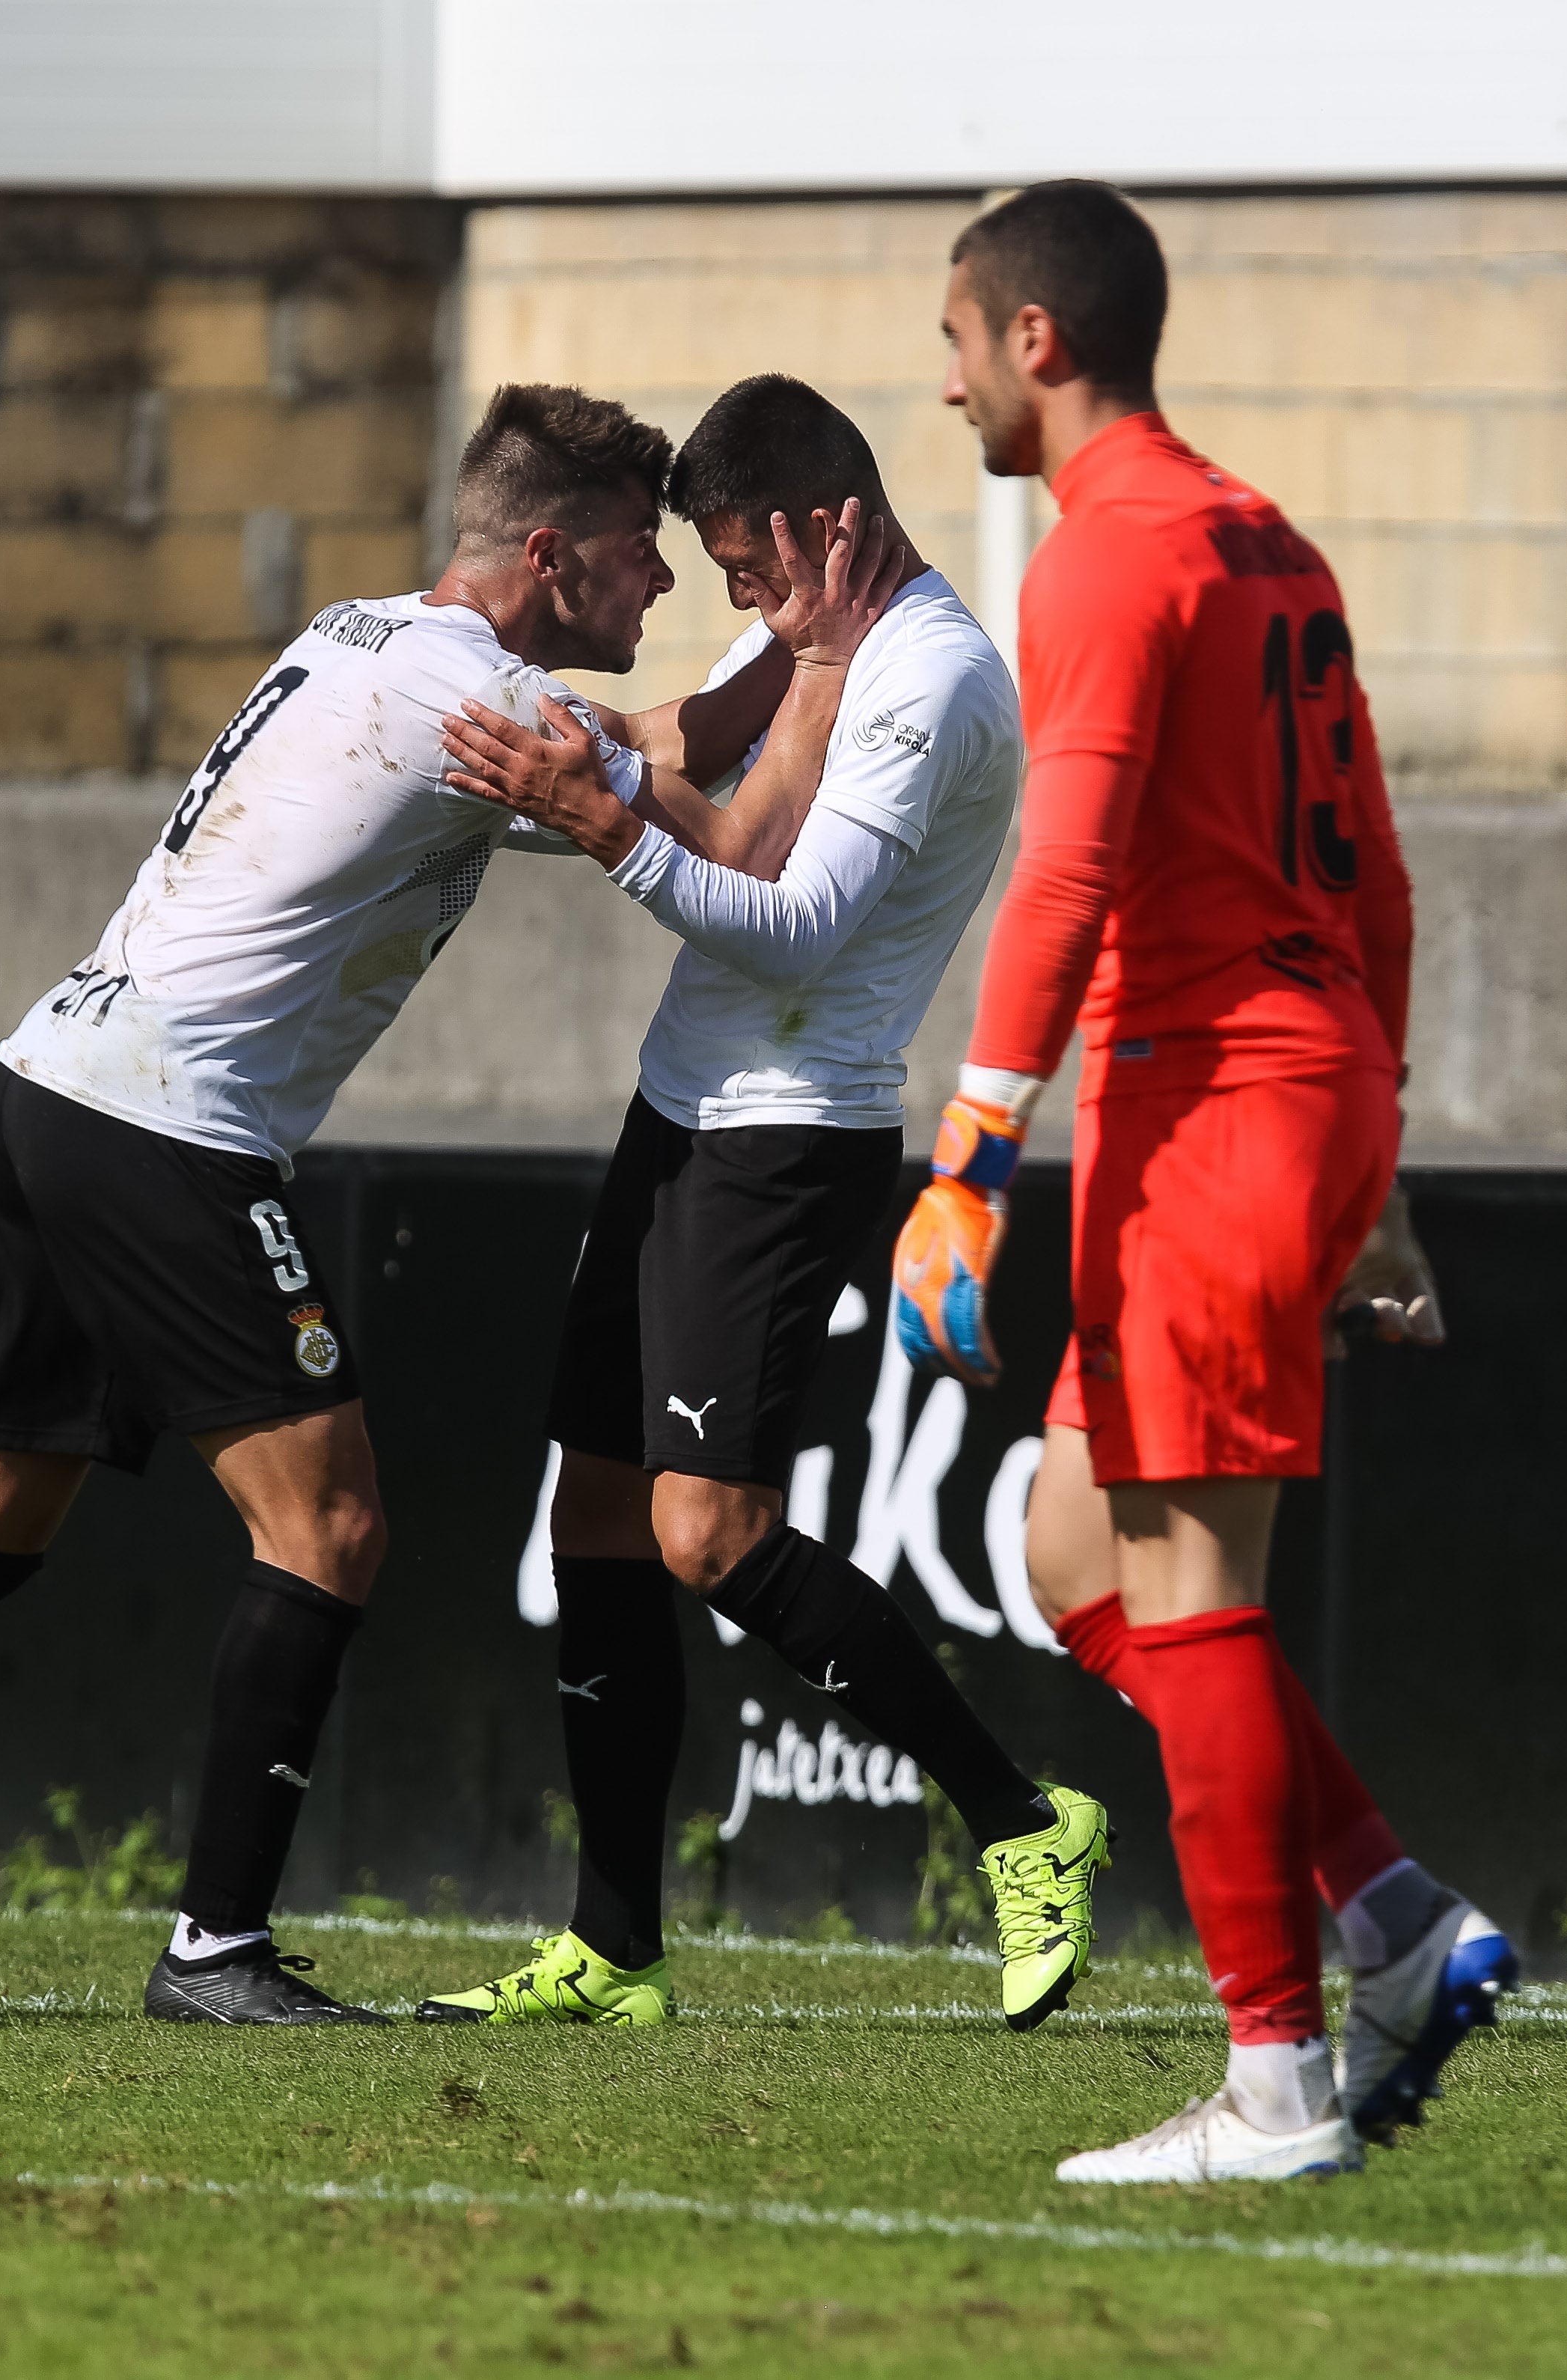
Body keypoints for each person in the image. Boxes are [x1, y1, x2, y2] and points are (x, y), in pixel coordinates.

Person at [0, 384, 860, 2022]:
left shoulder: (373, 639)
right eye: (636, 555)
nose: (662, 585)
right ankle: (212, 1947)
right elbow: (730, 829)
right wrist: (828, 656)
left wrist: (792, 649)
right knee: (324, 1526)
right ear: (548, 555)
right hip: (162, 1135)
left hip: (49, 1086)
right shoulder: (468, 703)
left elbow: (658, 741)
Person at [895, 182, 1506, 2183]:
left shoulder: (1105, 557)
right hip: (1299, 1081)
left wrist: (969, 1154)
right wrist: (1377, 1164)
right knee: (1078, 1546)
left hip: (1212, 1094)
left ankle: (1276, 2081)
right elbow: (1384, 884)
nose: (948, 371)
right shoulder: (1271, 540)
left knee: (1190, 1590)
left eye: (961, 337)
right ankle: (1393, 1923)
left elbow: (1061, 876)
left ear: (1039, 344)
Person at [421, 376, 1109, 2030]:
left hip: (786, 1140)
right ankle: (613, 1945)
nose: (732, 600)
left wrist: (594, 827)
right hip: (679, 1113)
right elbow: (673, 742)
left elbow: (785, 924)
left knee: (703, 1532)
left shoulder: (928, 677)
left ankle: (1023, 1823)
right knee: (592, 1514)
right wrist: (499, 761)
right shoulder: (802, 644)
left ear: (825, 526)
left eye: (744, 568)